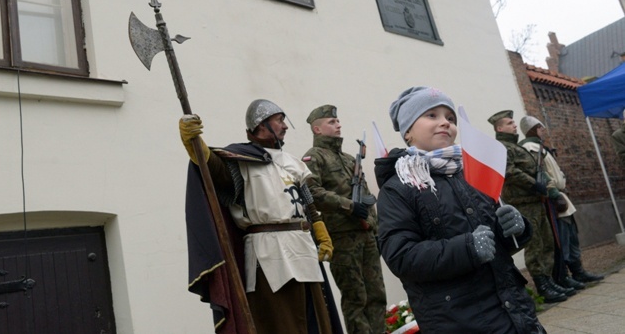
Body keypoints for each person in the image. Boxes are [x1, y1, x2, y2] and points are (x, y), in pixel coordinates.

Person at [376, 87, 545, 333]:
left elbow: (496, 244)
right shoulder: (399, 186)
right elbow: (400, 256)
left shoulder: (473, 171)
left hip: (515, 313)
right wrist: (467, 248)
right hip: (458, 320)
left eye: (450, 117)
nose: (445, 122)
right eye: (431, 115)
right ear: (408, 132)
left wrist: (516, 230)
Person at [179, 99, 338, 334]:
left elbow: (307, 199)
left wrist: (320, 228)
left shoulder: (291, 162)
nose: (285, 126)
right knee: (280, 322)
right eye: (279, 120)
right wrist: (194, 144)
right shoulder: (239, 160)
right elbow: (212, 168)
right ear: (261, 125)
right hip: (268, 253)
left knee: (315, 320)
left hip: (303, 249)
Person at [302, 105, 387, 334]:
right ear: (317, 128)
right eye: (331, 122)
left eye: (337, 121)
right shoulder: (314, 157)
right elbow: (311, 193)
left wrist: (376, 232)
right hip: (342, 239)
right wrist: (349, 206)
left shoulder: (350, 159)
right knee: (355, 299)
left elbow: (368, 197)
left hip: (366, 235)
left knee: (377, 295)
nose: (338, 124)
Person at [489, 110, 572, 303]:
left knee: (546, 242)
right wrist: (534, 184)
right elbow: (509, 171)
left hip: (535, 200)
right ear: (500, 128)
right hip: (523, 202)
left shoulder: (515, 146)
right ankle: (542, 285)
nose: (514, 125)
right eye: (510, 123)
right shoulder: (502, 147)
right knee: (535, 244)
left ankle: (549, 281)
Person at [519, 116, 604, 287]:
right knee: (562, 238)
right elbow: (541, 173)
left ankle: (578, 271)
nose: (543, 131)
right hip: (553, 199)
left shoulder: (539, 146)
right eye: (540, 128)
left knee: (571, 235)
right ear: (534, 129)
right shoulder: (531, 147)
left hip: (559, 196)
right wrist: (554, 194)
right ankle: (564, 275)